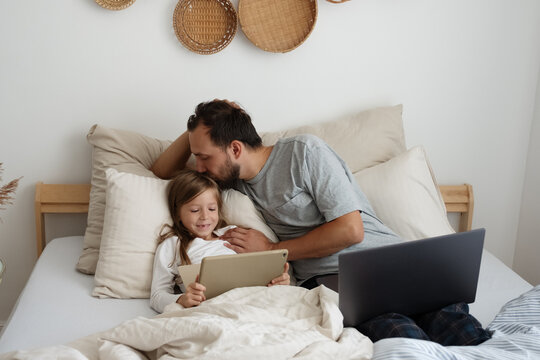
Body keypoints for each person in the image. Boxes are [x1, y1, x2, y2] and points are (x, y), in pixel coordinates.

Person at [151, 99, 492, 345]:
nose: (198, 167)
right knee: (403, 341)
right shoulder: (229, 180)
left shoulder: (303, 152)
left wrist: (272, 249)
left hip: (393, 262)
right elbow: (162, 172)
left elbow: (350, 229)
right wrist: (197, 127)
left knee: (460, 331)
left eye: (204, 157)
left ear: (236, 149)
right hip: (337, 285)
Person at [150, 169, 290, 313]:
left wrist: (276, 281)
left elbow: (254, 274)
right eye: (194, 210)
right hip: (213, 308)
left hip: (254, 301)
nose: (205, 216)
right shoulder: (173, 245)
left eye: (211, 209)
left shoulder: (233, 234)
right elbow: (157, 296)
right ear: (177, 213)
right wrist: (182, 299)